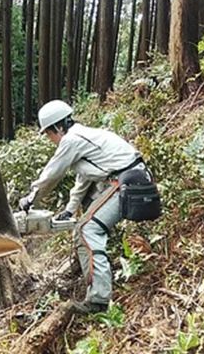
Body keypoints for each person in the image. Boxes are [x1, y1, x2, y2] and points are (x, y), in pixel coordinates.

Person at [19, 100, 153, 315]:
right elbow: (83, 179)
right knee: (84, 228)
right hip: (131, 179)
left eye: (48, 134)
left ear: (58, 127)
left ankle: (98, 301)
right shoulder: (84, 137)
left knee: (86, 230)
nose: (50, 139)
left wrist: (31, 198)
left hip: (125, 182)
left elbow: (52, 173)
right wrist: (70, 210)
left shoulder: (71, 140)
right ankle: (94, 285)